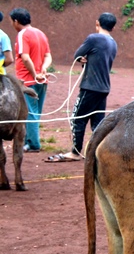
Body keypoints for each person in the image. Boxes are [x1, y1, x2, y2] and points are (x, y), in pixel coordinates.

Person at [46, 13, 118, 162]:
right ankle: (98, 153)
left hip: (90, 86)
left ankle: (75, 151)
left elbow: (78, 55)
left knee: (77, 118)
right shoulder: (113, 43)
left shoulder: (94, 38)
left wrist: (82, 58)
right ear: (113, 27)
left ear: (97, 23)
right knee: (97, 123)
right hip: (104, 87)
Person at [10, 8, 52, 153]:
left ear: (16, 21)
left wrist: (34, 74)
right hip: (42, 80)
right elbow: (48, 56)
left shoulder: (22, 35)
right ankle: (30, 140)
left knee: (30, 112)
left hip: (27, 80)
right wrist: (43, 70)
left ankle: (33, 143)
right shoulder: (40, 33)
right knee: (36, 112)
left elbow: (25, 57)